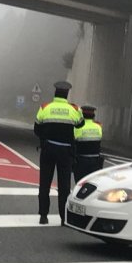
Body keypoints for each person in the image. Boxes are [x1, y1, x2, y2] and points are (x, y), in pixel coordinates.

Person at [34, 81, 84, 225]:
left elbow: (37, 129)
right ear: (67, 94)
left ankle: (43, 216)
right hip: (66, 151)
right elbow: (80, 124)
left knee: (44, 183)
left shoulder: (45, 107)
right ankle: (63, 218)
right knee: (64, 186)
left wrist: (46, 136)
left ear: (55, 93)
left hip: (48, 149)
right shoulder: (74, 109)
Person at [73, 105, 103, 183]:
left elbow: (73, 141)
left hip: (81, 161)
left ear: (82, 115)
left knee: (80, 184)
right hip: (95, 162)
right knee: (92, 184)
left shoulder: (77, 127)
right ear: (93, 116)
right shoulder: (98, 127)